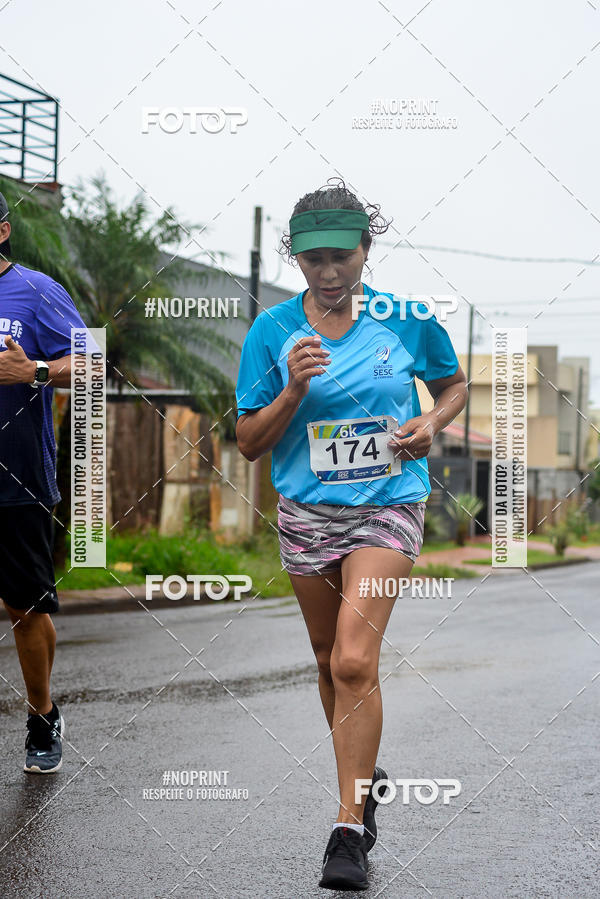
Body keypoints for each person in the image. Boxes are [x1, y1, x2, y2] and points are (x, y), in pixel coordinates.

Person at [235, 180, 468, 891]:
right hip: (307, 510)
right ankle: (362, 775)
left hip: (388, 502)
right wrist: (294, 392)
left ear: (367, 249)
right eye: (313, 261)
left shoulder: (405, 318)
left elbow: (454, 384)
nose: (329, 271)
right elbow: (248, 441)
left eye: (342, 256)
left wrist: (431, 424)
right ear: (296, 260)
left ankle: (347, 827)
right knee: (323, 653)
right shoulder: (272, 331)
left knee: (354, 660)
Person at [0, 190, 92, 774]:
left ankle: (42, 714)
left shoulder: (36, 292)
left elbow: (90, 358)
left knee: (25, 609)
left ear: (3, 231)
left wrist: (33, 369)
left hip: (18, 480)